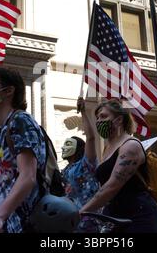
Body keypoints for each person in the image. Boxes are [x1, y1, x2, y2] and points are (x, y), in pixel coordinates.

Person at [79, 99, 157, 233]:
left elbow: (113, 185)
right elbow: (90, 137)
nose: (99, 121)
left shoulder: (130, 146)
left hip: (139, 218)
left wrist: (83, 210)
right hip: (115, 217)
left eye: (104, 116)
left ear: (119, 120)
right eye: (97, 117)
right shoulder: (107, 149)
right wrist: (83, 112)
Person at [0, 67, 46, 233]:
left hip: (24, 223)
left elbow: (28, 176)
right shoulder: (3, 129)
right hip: (7, 224)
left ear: (9, 90)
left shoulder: (20, 120)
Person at [61, 98, 100, 232]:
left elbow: (91, 138)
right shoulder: (63, 171)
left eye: (68, 144)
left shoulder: (86, 164)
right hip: (71, 222)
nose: (63, 148)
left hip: (90, 220)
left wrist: (83, 111)